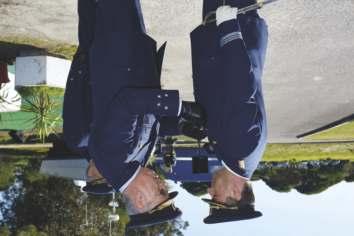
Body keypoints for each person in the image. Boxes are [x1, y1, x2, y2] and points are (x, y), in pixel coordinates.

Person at [63, 0, 205, 228]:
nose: (164, 184)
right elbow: (147, 124)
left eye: (161, 192)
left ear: (140, 200)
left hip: (118, 51)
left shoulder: (114, 158)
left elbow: (127, 104)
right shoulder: (133, 162)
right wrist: (182, 127)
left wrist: (180, 107)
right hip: (131, 55)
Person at [190, 0, 268, 223]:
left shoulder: (237, 158)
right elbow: (240, 86)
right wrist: (228, 29)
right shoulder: (239, 149)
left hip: (226, 34)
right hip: (232, 31)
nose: (209, 191)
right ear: (235, 193)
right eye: (216, 198)